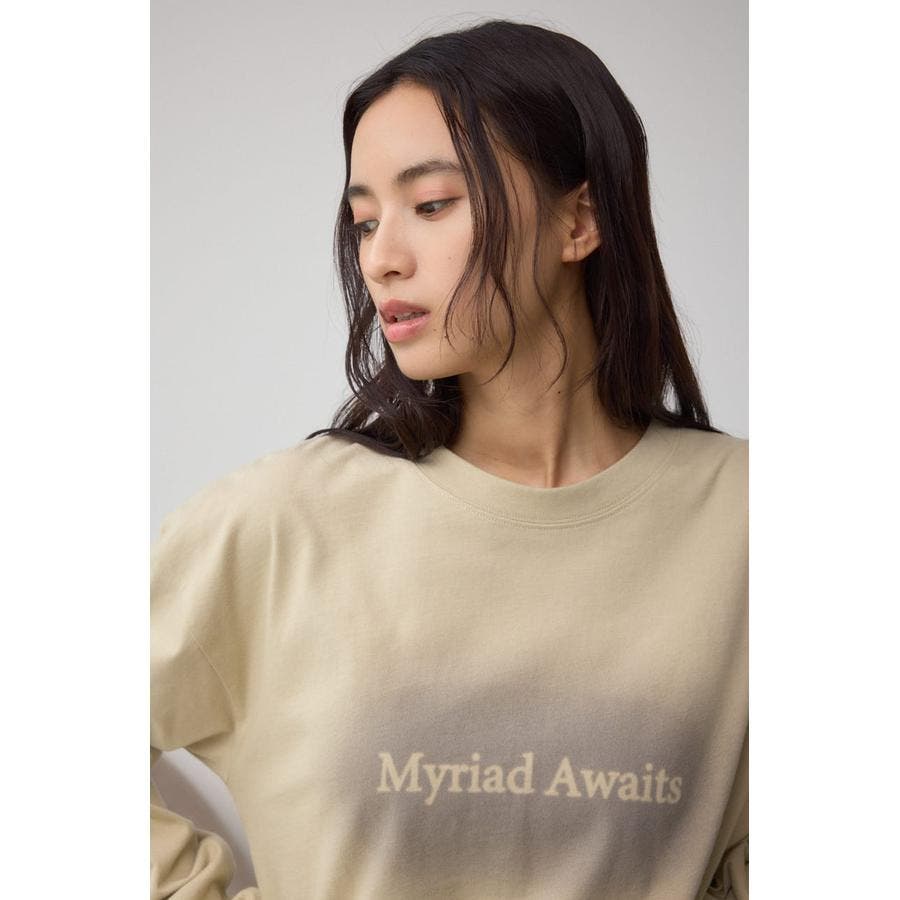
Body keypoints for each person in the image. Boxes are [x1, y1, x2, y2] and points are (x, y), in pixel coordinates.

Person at [150, 18, 748, 900]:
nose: (381, 259)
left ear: (580, 220)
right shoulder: (281, 522)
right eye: (364, 222)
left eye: (431, 205)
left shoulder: (744, 524)